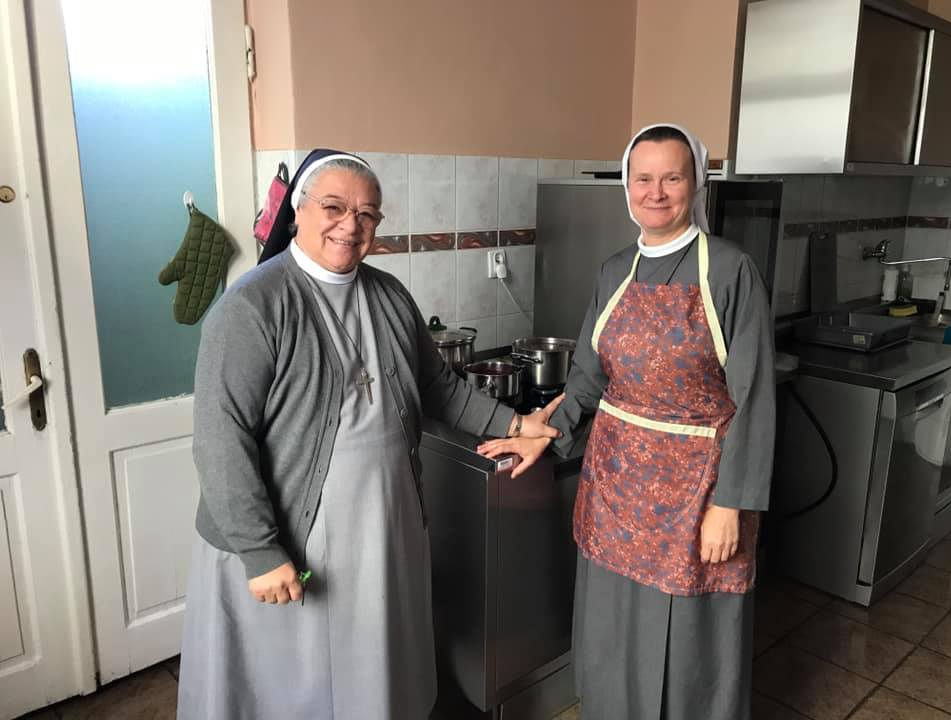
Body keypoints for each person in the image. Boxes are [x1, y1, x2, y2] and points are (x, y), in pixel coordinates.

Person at [177, 148, 561, 720]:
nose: (350, 225)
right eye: (334, 207)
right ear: (299, 211)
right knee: (290, 682)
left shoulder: (389, 295)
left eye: (367, 214)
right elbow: (220, 439)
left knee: (371, 669)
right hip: (292, 537)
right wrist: (260, 550)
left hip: (383, 526)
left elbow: (438, 387)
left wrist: (517, 423)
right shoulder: (253, 305)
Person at [478, 124, 775, 719]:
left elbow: (757, 397)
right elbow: (588, 377)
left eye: (672, 177)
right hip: (617, 486)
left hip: (699, 492)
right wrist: (544, 435)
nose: (655, 192)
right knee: (613, 625)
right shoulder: (615, 270)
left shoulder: (731, 271)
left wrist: (731, 503)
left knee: (688, 634)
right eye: (643, 179)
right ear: (627, 186)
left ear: (695, 184)